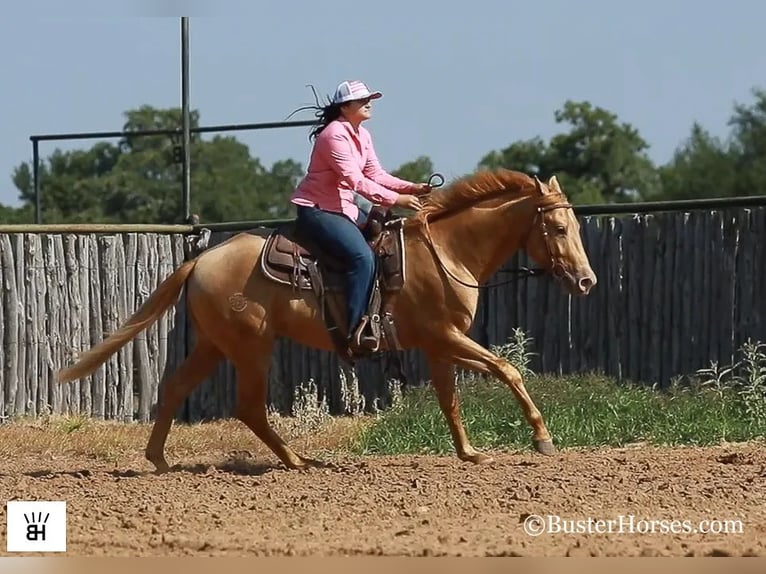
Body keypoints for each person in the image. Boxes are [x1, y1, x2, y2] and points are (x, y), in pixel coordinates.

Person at [290, 80, 430, 352]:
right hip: (318, 210)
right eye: (362, 100)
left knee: (383, 243)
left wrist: (411, 187)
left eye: (370, 99)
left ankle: (376, 313)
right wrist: (397, 199)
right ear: (344, 107)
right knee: (361, 257)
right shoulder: (333, 135)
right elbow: (355, 180)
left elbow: (376, 174)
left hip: (344, 209)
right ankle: (356, 330)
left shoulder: (361, 135)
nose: (369, 103)